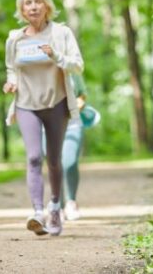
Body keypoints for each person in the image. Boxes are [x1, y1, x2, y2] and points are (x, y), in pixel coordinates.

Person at [3, 0, 83, 237]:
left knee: (54, 160)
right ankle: (38, 212)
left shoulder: (61, 33)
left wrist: (56, 55)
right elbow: (11, 68)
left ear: (47, 6)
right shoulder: (15, 38)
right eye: (28, 3)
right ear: (22, 10)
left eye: (38, 2)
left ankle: (56, 207)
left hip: (56, 102)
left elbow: (77, 65)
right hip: (26, 104)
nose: (33, 6)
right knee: (34, 157)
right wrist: (11, 82)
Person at [58, 73, 100, 221]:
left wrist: (78, 104)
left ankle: (71, 202)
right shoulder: (38, 66)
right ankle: (57, 206)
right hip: (47, 126)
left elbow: (82, 94)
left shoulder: (71, 69)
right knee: (54, 164)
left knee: (69, 163)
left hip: (72, 123)